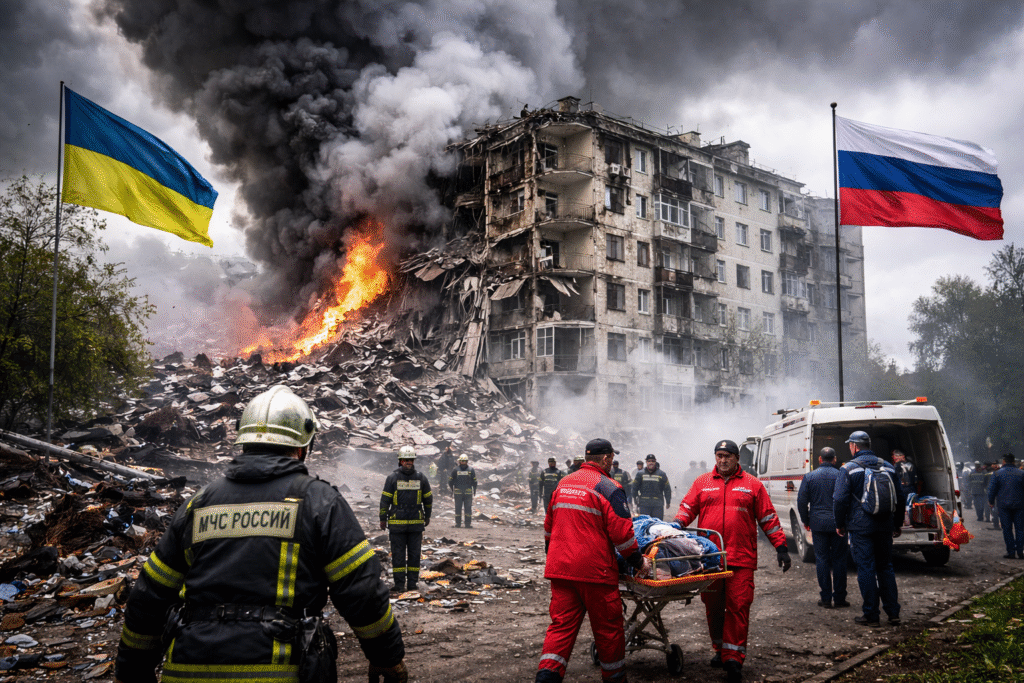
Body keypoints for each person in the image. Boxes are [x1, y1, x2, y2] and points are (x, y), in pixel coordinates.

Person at [114, 385, 408, 683]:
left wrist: (131, 670)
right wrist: (386, 655)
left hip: (188, 670)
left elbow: (150, 596)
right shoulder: (319, 502)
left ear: (244, 443)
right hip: (279, 671)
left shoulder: (198, 504)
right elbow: (361, 590)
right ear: (303, 446)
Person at [535, 438, 652, 683]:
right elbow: (623, 536)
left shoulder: (564, 483)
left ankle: (546, 677)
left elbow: (548, 527)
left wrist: (556, 558)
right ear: (607, 458)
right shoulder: (609, 487)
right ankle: (615, 678)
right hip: (595, 573)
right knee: (608, 630)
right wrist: (639, 563)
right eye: (611, 458)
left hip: (561, 570)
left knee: (561, 627)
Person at [674, 439, 790, 683]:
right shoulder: (702, 483)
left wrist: (781, 545)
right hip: (711, 559)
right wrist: (673, 529)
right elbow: (686, 509)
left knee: (739, 606)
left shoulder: (752, 485)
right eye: (719, 455)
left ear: (737, 458)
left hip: (741, 558)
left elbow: (768, 517)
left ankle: (733, 659)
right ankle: (719, 648)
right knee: (713, 606)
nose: (723, 460)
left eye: (728, 456)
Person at [833, 430, 906, 628]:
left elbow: (839, 500)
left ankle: (871, 615)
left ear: (855, 446)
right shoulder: (888, 467)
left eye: (850, 445)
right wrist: (897, 523)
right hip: (885, 525)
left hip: (860, 527)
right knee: (885, 567)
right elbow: (900, 497)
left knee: (866, 568)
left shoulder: (848, 469)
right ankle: (893, 613)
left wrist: (840, 525)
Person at [797, 447, 849, 608]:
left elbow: (801, 501)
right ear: (834, 459)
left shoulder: (809, 477)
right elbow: (846, 499)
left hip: (818, 524)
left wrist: (806, 520)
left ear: (820, 459)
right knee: (840, 560)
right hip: (838, 524)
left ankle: (825, 598)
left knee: (822, 559)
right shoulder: (841, 475)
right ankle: (839, 598)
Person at [380, 445, 432, 593]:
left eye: (411, 460)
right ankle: (399, 585)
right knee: (398, 555)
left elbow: (428, 499)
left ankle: (412, 584)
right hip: (397, 525)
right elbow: (385, 500)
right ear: (400, 461)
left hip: (415, 524)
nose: (409, 462)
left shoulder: (421, 478)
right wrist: (382, 518)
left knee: (415, 555)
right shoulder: (392, 478)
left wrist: (427, 515)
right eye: (406, 460)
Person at [988, 453, 1024, 559]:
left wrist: (991, 501)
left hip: (1004, 506)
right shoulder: (1022, 473)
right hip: (1020, 505)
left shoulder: (997, 474)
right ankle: (1020, 552)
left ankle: (1011, 552)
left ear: (1004, 461)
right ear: (1014, 462)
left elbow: (992, 490)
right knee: (1020, 529)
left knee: (1007, 529)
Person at [633, 454, 671, 520]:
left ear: (655, 462)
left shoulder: (662, 474)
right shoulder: (640, 474)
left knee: (657, 526)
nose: (651, 463)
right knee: (645, 525)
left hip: (657, 505)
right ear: (646, 462)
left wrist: (668, 501)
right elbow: (634, 487)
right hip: (644, 505)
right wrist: (635, 498)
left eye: (653, 461)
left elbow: (667, 489)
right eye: (649, 461)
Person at [449, 454, 477, 528]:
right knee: (468, 508)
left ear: (459, 461)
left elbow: (450, 481)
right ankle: (467, 524)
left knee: (458, 508)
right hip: (468, 492)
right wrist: (474, 490)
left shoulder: (455, 469)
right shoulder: (471, 469)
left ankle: (458, 524)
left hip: (458, 492)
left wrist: (452, 490)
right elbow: (475, 481)